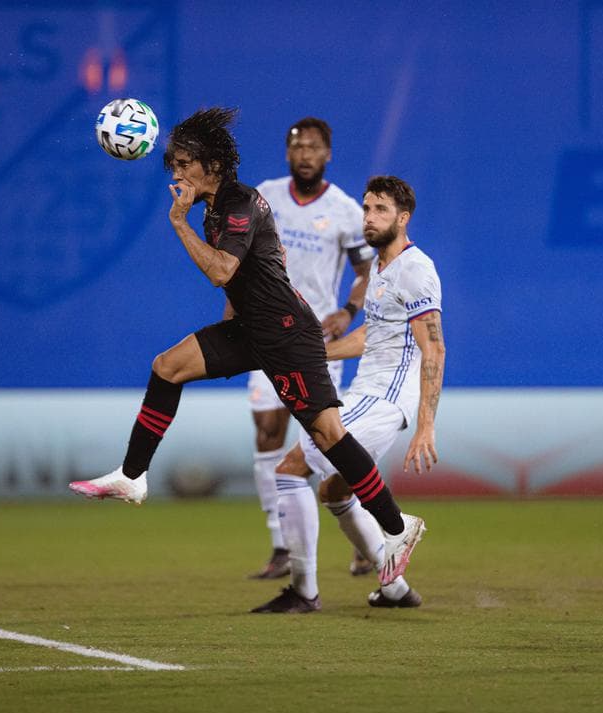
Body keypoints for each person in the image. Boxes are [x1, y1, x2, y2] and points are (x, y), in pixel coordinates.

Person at [68, 109, 425, 602]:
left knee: (328, 434)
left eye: (184, 163)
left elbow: (221, 269)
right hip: (250, 329)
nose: (175, 173)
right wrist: (228, 319)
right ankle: (132, 477)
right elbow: (236, 281)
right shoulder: (216, 207)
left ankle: (396, 524)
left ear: (211, 165)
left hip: (286, 335)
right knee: (167, 367)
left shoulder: (240, 203)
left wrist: (177, 223)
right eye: (172, 163)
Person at [252, 175, 444, 613]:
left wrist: (426, 427)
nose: (369, 218)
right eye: (366, 209)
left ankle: (303, 592)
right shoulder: (380, 267)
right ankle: (394, 588)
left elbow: (434, 346)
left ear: (403, 217)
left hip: (386, 400)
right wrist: (310, 352)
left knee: (290, 469)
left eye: (380, 210)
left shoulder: (416, 269)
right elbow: (370, 339)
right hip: (364, 392)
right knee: (336, 492)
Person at [247, 117, 375, 580]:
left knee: (324, 443)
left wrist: (348, 310)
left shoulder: (343, 209)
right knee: (267, 428)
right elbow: (240, 255)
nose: (305, 154)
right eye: (298, 146)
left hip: (316, 340)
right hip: (264, 332)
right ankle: (281, 544)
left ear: (328, 154)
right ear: (287, 153)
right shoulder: (265, 197)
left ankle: (364, 536)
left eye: (315, 147)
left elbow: (365, 270)